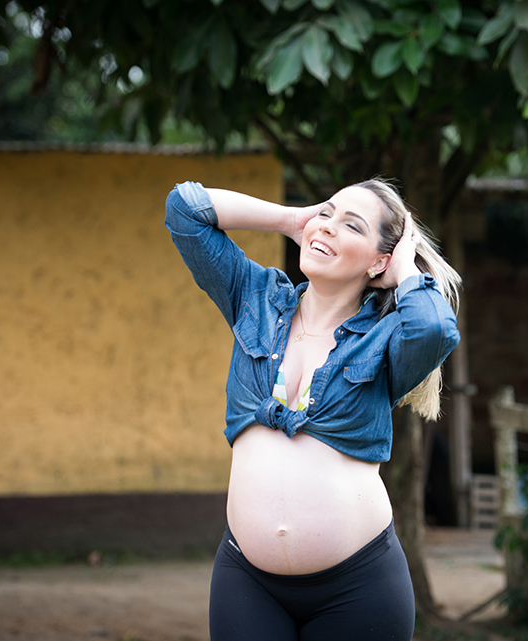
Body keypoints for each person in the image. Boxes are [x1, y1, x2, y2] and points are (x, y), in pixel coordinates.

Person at [164, 177, 461, 641]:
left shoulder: (386, 339)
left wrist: (404, 269)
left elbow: (434, 330)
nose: (327, 227)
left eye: (351, 225)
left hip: (359, 588)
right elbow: (185, 209)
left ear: (379, 259)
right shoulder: (255, 298)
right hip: (247, 581)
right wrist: (292, 219)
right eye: (327, 212)